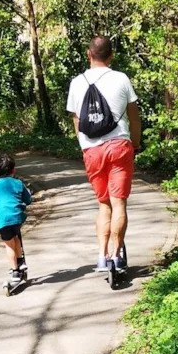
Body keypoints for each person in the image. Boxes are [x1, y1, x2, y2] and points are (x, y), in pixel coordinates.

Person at [66, 36, 141, 278]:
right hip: (120, 146)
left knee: (103, 204)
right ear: (111, 56)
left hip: (92, 150)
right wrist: (136, 143)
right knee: (119, 203)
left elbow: (76, 119)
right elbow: (134, 116)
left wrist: (85, 146)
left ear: (89, 54)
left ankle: (101, 256)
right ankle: (117, 256)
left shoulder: (77, 83)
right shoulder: (121, 79)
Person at [0, 153, 33, 288]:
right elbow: (28, 199)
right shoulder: (18, 183)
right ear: (13, 170)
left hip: (1, 219)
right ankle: (20, 261)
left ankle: (15, 272)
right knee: (15, 237)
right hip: (17, 216)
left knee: (9, 245)